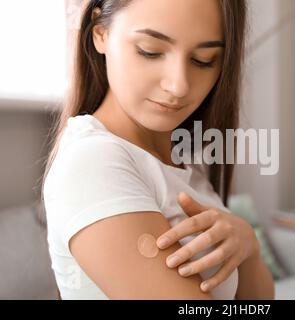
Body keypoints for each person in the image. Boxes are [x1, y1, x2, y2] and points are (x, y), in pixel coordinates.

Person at [41, 0, 274, 300]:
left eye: (203, 59)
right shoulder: (93, 162)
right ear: (100, 33)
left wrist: (249, 247)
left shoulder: (184, 168)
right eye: (150, 50)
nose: (179, 85)